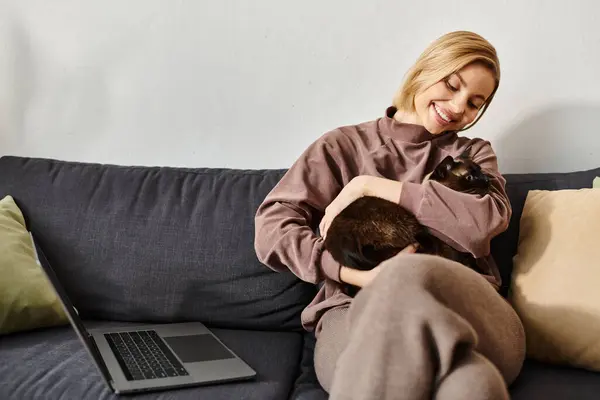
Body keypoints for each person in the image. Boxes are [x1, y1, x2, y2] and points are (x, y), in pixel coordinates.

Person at [254, 30, 525, 400]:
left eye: (475, 103)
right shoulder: (342, 146)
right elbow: (272, 227)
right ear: (424, 70)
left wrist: (370, 186)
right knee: (470, 384)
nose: (460, 107)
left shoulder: (473, 154)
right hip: (355, 310)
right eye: (452, 84)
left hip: (469, 309)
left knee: (408, 277)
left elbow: (483, 224)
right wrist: (354, 275)